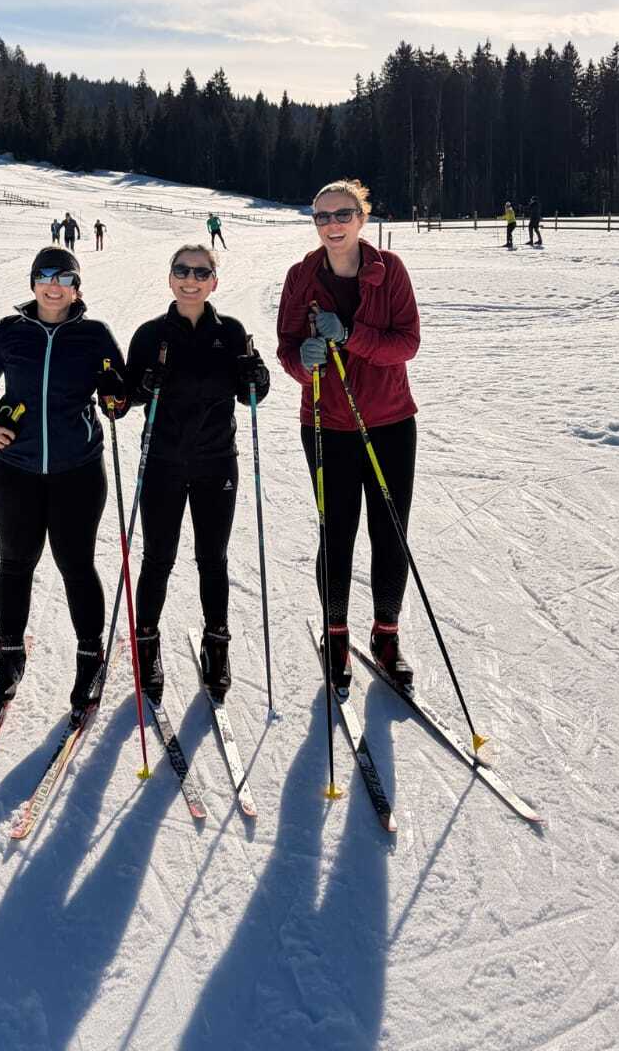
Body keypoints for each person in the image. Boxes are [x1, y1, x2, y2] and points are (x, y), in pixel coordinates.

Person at [0, 246, 129, 716]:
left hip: (77, 470)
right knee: (15, 564)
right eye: (45, 276)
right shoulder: (10, 333)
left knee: (76, 565)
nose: (54, 286)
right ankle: (9, 655)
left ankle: (89, 656)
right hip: (16, 469)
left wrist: (118, 399)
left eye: (64, 278)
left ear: (77, 287)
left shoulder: (94, 334)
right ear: (33, 282)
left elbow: (120, 391)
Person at [276, 178, 420, 695]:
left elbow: (407, 343)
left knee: (390, 531)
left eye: (343, 214)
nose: (332, 225)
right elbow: (287, 348)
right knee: (335, 533)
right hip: (324, 424)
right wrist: (303, 361)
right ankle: (336, 636)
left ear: (362, 218)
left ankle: (387, 635)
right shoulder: (300, 276)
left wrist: (350, 336)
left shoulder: (390, 271)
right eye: (322, 217)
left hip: (389, 422)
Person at [125, 246, 270, 702]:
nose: (191, 279)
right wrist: (141, 385)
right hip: (164, 462)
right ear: (170, 279)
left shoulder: (230, 333)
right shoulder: (150, 335)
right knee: (158, 558)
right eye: (182, 271)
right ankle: (146, 646)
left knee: (213, 558)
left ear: (214, 281)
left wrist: (257, 376)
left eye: (201, 272)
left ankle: (217, 645)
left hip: (215, 463)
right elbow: (124, 398)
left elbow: (252, 396)